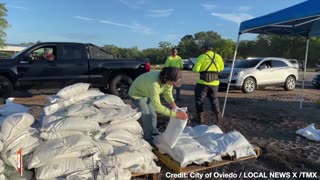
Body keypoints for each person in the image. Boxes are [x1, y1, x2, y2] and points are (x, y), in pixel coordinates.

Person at [129, 67, 188, 143]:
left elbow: (167, 93)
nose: (173, 84)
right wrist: (175, 115)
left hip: (147, 92)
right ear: (167, 79)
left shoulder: (168, 80)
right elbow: (158, 107)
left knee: (153, 115)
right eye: (173, 82)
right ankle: (148, 139)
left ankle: (153, 131)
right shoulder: (154, 84)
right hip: (137, 94)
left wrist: (173, 105)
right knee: (147, 116)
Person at [192, 42, 224, 124]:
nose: (201, 50)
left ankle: (200, 118)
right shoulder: (218, 57)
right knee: (214, 99)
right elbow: (221, 69)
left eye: (202, 48)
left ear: (205, 48)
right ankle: (218, 117)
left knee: (199, 100)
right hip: (215, 83)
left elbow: (196, 70)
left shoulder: (202, 57)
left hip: (203, 82)